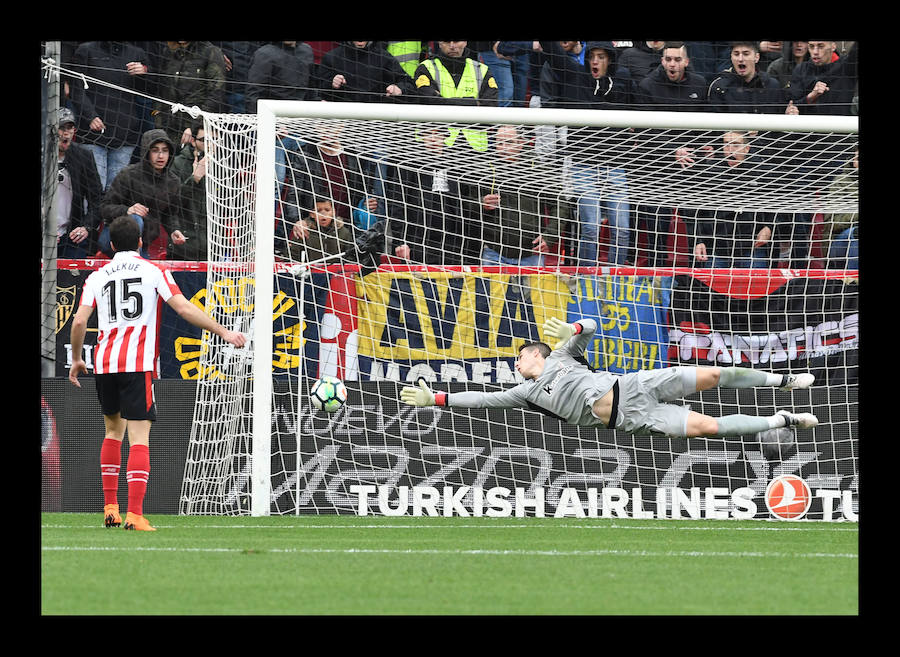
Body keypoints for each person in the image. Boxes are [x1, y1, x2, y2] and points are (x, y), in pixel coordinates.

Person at [68, 215, 246, 531]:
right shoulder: (154, 271)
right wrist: (224, 331)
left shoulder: (98, 275)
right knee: (139, 438)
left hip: (106, 363)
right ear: (140, 242)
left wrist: (79, 358)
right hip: (138, 365)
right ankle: (135, 515)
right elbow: (183, 308)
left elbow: (80, 321)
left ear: (110, 245)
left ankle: (110, 509)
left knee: (112, 432)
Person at [401, 316, 818, 439]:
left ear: (536, 354)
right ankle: (782, 420)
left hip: (633, 385)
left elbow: (591, 324)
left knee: (712, 373)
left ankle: (782, 381)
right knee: (707, 427)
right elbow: (478, 400)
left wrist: (575, 332)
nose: (517, 365)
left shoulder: (564, 355)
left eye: (521, 358)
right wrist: (436, 398)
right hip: (630, 418)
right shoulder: (524, 393)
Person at [538, 40, 634, 266]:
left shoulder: (623, 80)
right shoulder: (574, 76)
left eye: (601, 56)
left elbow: (641, 107)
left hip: (616, 165)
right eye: (592, 56)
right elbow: (552, 50)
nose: (595, 61)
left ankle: (614, 277)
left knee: (622, 230)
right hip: (584, 165)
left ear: (609, 59)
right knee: (590, 227)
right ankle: (587, 277)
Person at [68, 41, 150, 190]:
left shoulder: (137, 53)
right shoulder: (86, 50)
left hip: (125, 136)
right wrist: (90, 116)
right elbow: (76, 89)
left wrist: (144, 74)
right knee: (94, 190)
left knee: (115, 192)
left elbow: (149, 90)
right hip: (92, 135)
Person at [477, 124, 563, 267]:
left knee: (532, 290)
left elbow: (560, 204)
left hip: (531, 253)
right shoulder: (485, 169)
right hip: (493, 253)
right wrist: (481, 203)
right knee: (488, 290)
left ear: (521, 142)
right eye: (499, 143)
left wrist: (550, 236)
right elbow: (465, 203)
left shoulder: (539, 169)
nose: (503, 148)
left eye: (509, 142)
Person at [99, 128, 188, 258]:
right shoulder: (128, 174)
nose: (161, 156)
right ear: (147, 152)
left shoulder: (173, 181)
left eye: (165, 150)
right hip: (114, 240)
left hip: (143, 245)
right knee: (136, 218)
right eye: (155, 150)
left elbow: (170, 214)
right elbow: (104, 208)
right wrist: (128, 210)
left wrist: (174, 230)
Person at [412, 41, 499, 153]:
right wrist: (473, 103)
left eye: (457, 41)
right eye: (447, 41)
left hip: (476, 150)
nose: (452, 46)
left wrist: (443, 102)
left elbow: (490, 110)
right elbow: (430, 103)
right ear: (439, 42)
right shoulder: (425, 68)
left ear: (465, 42)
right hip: (434, 146)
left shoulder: (482, 70)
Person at [153, 41, 226, 145]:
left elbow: (217, 93)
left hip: (198, 131)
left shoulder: (210, 52)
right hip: (169, 126)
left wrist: (194, 126)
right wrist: (159, 123)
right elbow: (161, 89)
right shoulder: (168, 52)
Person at [55, 107, 103, 259]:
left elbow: (97, 199)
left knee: (72, 281)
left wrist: (86, 227)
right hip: (45, 235)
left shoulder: (83, 156)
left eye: (70, 127)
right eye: (61, 128)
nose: (66, 132)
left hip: (72, 236)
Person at [707, 41, 793, 114]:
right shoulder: (719, 87)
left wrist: (788, 115)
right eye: (736, 54)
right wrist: (727, 133)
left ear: (756, 57)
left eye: (746, 54)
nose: (740, 59)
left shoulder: (773, 86)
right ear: (731, 57)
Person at [315, 41, 413, 103]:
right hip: (341, 123)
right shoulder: (331, 57)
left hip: (376, 122)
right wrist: (331, 83)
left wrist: (399, 89)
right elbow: (316, 91)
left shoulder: (384, 58)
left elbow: (409, 83)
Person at [167, 122, 209, 260]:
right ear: (192, 141)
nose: (210, 144)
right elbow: (172, 202)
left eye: (215, 140)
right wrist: (195, 177)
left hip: (213, 249)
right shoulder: (178, 163)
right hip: (183, 248)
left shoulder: (223, 167)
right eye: (204, 140)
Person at [788, 41, 858, 115]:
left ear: (833, 46)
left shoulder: (847, 67)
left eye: (821, 46)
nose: (815, 52)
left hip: (840, 124)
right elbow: (792, 105)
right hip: (808, 124)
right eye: (811, 46)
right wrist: (811, 97)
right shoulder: (801, 69)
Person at [635, 42, 708, 110]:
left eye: (677, 60)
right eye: (668, 59)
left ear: (686, 62)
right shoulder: (647, 86)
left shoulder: (699, 84)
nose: (672, 64)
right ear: (662, 61)